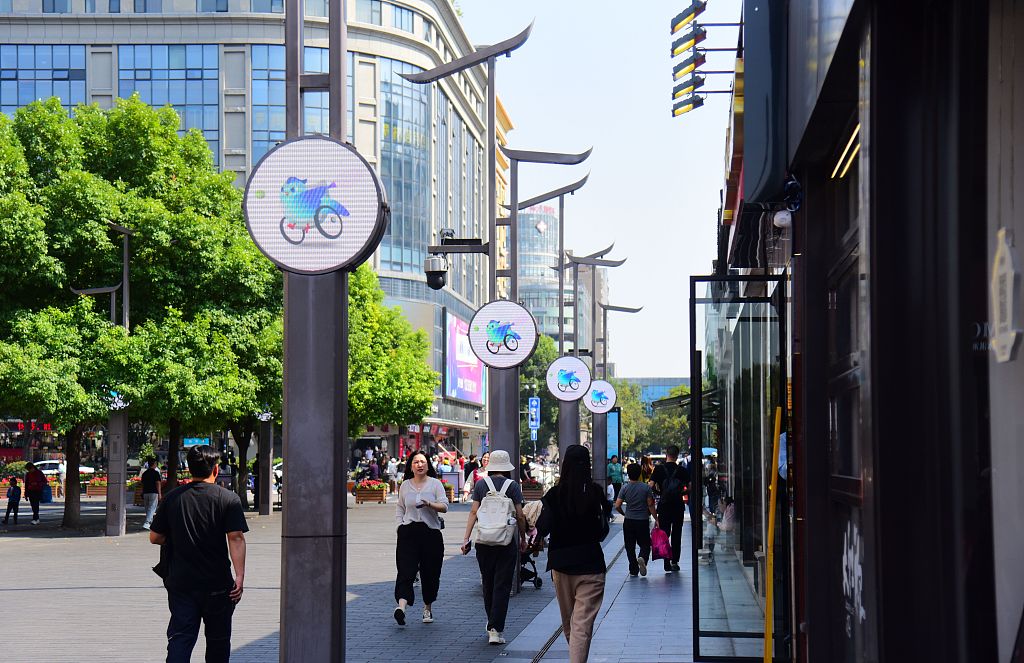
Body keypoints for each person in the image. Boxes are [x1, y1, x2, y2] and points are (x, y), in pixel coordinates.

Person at [149, 445, 248, 663]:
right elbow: (236, 538)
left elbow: (155, 537)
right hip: (217, 583)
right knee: (218, 641)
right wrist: (239, 577)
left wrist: (177, 537)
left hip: (181, 582)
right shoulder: (228, 499)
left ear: (190, 468)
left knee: (180, 638)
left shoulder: (172, 498)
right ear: (215, 469)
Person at [536, 444, 610, 663]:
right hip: (592, 565)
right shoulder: (595, 492)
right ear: (587, 465)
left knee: (571, 625)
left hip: (562, 566)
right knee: (581, 626)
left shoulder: (555, 494)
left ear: (564, 464)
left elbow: (543, 528)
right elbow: (602, 530)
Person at [460, 449, 528, 645]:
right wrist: (522, 537)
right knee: (502, 585)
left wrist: (466, 539)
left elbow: (473, 512)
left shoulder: (481, 484)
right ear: (507, 468)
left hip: (484, 542)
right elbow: (520, 514)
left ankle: (491, 622)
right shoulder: (513, 486)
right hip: (506, 541)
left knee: (488, 583)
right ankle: (496, 629)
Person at [393, 450, 448, 626]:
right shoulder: (405, 485)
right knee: (405, 570)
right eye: (416, 462)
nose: (420, 465)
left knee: (430, 573)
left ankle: (427, 608)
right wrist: (399, 526)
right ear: (411, 466)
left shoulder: (435, 484)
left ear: (428, 465)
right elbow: (400, 507)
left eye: (423, 462)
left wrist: (429, 504)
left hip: (430, 533)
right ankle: (401, 608)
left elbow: (445, 506)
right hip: (408, 533)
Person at [614, 463, 659, 577]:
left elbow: (618, 505)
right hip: (642, 520)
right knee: (645, 543)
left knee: (630, 546)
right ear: (640, 473)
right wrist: (656, 518)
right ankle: (643, 557)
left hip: (629, 520)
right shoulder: (646, 487)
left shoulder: (624, 487)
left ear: (628, 474)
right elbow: (650, 504)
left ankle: (633, 569)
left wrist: (624, 513)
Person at [650, 444, 690, 573]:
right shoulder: (682, 470)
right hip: (678, 505)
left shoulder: (658, 469)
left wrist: (658, 493)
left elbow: (650, 485)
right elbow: (690, 487)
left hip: (664, 505)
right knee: (677, 533)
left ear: (666, 454)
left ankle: (666, 561)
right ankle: (675, 561)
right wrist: (681, 494)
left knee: (665, 533)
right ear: (677, 455)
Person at [142, 457, 163, 530]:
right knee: (152, 508)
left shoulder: (145, 473)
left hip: (145, 492)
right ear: (154, 464)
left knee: (147, 508)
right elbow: (158, 483)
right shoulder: (156, 473)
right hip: (153, 492)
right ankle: (147, 523)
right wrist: (159, 493)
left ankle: (150, 524)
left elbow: (143, 483)